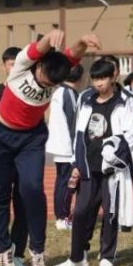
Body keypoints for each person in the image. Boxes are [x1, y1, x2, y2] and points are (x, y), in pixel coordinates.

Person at [0, 30, 100, 266]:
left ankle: (37, 250)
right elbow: (41, 46)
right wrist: (50, 36)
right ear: (38, 67)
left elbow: (74, 54)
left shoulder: (58, 68)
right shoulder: (25, 64)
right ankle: (3, 248)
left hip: (31, 138)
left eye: (50, 86)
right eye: (43, 80)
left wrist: (82, 41)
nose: (44, 86)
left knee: (32, 189)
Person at [53, 59, 133, 266]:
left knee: (110, 213)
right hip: (88, 167)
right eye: (95, 79)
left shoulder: (125, 100)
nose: (99, 83)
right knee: (81, 212)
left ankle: (107, 257)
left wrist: (131, 163)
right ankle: (77, 257)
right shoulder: (85, 98)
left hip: (113, 170)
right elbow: (79, 134)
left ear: (113, 76)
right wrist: (76, 162)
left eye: (103, 78)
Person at [0, 46, 30, 266]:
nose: (14, 67)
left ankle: (19, 253)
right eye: (10, 63)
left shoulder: (29, 91)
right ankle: (0, 249)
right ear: (4, 66)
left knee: (23, 204)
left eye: (18, 63)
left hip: (23, 157)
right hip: (0, 158)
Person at [45, 64, 82, 231]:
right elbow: (73, 122)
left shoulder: (60, 91)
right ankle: (62, 216)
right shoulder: (69, 93)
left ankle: (61, 216)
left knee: (61, 181)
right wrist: (77, 148)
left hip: (60, 145)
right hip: (66, 146)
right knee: (66, 183)